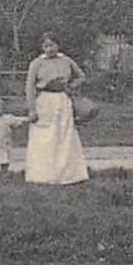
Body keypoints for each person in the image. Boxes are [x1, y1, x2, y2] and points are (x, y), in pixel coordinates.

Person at [24, 34, 90, 185]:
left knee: (64, 136)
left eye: (52, 45)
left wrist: (70, 86)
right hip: (45, 101)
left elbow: (81, 76)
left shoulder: (66, 60)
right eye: (46, 46)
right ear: (42, 48)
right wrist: (32, 109)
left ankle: (68, 175)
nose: (49, 49)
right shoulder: (37, 63)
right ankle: (42, 175)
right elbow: (29, 87)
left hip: (62, 100)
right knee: (45, 136)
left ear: (58, 45)